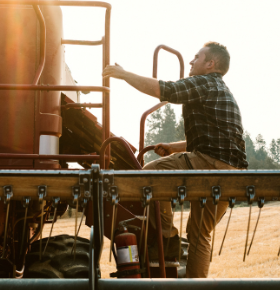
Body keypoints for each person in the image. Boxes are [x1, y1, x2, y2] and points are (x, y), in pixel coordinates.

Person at [102, 42, 246, 278]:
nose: (191, 61)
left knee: (150, 173)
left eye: (197, 57)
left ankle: (166, 236)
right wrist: (174, 147)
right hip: (231, 172)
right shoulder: (223, 91)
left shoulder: (205, 82)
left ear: (210, 64)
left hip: (208, 164)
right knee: (200, 234)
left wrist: (124, 74)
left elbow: (166, 89)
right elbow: (220, 139)